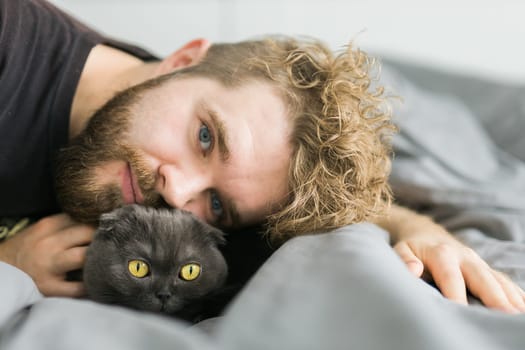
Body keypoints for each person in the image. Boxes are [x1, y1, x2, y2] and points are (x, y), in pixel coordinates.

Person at [0, 0, 523, 314]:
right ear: (183, 60)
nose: (178, 193)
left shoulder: (189, 203)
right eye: (205, 137)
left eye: (218, 204)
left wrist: (424, 234)